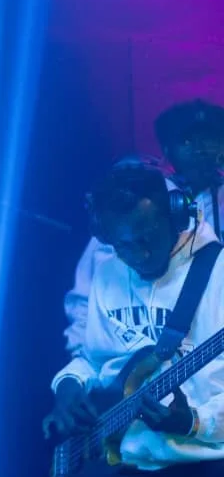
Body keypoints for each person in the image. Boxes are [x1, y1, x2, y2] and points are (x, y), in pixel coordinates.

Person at [33, 160, 224, 477]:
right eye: (123, 245)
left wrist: (194, 421)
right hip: (138, 462)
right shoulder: (109, 273)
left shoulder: (217, 273)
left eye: (148, 236)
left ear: (178, 214)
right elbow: (98, 363)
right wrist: (69, 387)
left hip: (210, 459)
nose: (139, 253)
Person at [62, 99, 224, 357]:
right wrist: (84, 364)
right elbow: (87, 293)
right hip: (147, 367)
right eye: (187, 141)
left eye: (210, 139)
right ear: (167, 150)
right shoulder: (135, 204)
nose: (200, 149)